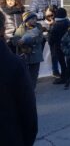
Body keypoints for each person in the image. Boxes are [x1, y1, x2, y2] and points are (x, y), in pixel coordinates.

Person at [0, 11, 38, 146]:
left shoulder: (37, 29)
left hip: (33, 57)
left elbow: (37, 38)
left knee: (33, 76)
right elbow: (28, 112)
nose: (33, 21)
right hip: (10, 137)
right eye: (31, 19)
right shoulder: (13, 64)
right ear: (3, 30)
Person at [12, 11, 44, 90]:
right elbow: (14, 41)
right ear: (26, 20)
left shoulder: (38, 27)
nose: (35, 21)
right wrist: (19, 42)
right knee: (24, 73)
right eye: (32, 19)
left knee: (34, 73)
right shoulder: (20, 29)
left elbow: (40, 39)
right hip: (25, 55)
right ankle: (24, 88)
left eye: (35, 19)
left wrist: (27, 40)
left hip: (36, 54)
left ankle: (32, 89)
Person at [48, 7, 69, 83]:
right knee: (67, 61)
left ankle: (64, 78)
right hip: (67, 45)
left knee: (62, 62)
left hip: (59, 46)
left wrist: (50, 41)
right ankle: (67, 76)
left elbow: (52, 38)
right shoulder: (67, 22)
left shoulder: (57, 25)